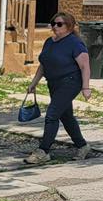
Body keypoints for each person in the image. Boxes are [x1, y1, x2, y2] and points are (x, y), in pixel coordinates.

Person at [25, 12, 92, 164]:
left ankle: (43, 151)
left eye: (59, 24)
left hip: (70, 82)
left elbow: (85, 66)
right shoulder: (49, 41)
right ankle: (82, 146)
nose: (55, 26)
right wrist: (34, 83)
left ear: (69, 26)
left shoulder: (75, 43)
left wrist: (85, 87)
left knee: (52, 114)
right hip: (53, 83)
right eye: (53, 23)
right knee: (66, 116)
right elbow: (44, 64)